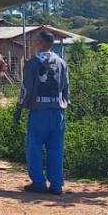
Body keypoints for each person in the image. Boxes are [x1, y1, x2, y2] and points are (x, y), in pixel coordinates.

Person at [17, 30, 70, 195]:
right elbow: (66, 88)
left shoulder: (32, 64)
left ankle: (39, 183)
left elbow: (26, 89)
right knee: (56, 148)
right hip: (57, 112)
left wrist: (19, 108)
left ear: (42, 44)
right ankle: (56, 185)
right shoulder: (61, 63)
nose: (33, 44)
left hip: (39, 112)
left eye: (35, 42)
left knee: (34, 147)